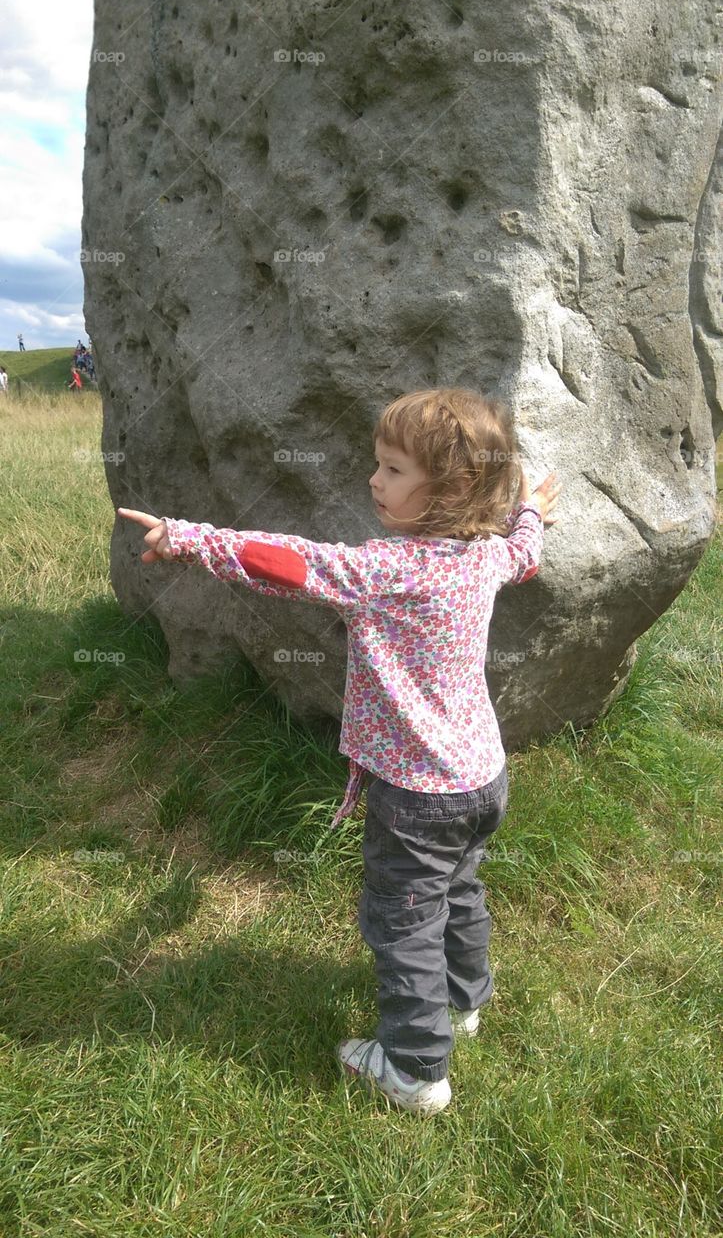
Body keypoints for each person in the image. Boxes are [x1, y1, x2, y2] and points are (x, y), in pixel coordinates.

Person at [117, 387, 562, 1117]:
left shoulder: (388, 571)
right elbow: (523, 554)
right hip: (481, 779)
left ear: (448, 489)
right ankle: (461, 1003)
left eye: (390, 470)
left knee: (402, 917)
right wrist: (532, 511)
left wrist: (188, 537)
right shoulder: (482, 558)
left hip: (416, 793)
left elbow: (290, 564)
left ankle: (416, 1070)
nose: (372, 481)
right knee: (458, 892)